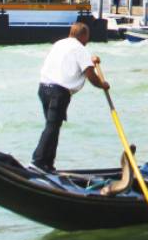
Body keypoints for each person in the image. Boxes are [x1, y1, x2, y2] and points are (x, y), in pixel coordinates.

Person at [32, 23, 108, 171]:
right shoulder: (80, 49)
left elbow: (70, 64)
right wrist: (103, 84)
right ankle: (38, 161)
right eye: (87, 37)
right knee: (52, 127)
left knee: (52, 126)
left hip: (43, 88)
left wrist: (89, 61)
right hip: (58, 92)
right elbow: (90, 75)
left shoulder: (59, 44)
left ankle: (48, 164)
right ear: (84, 35)